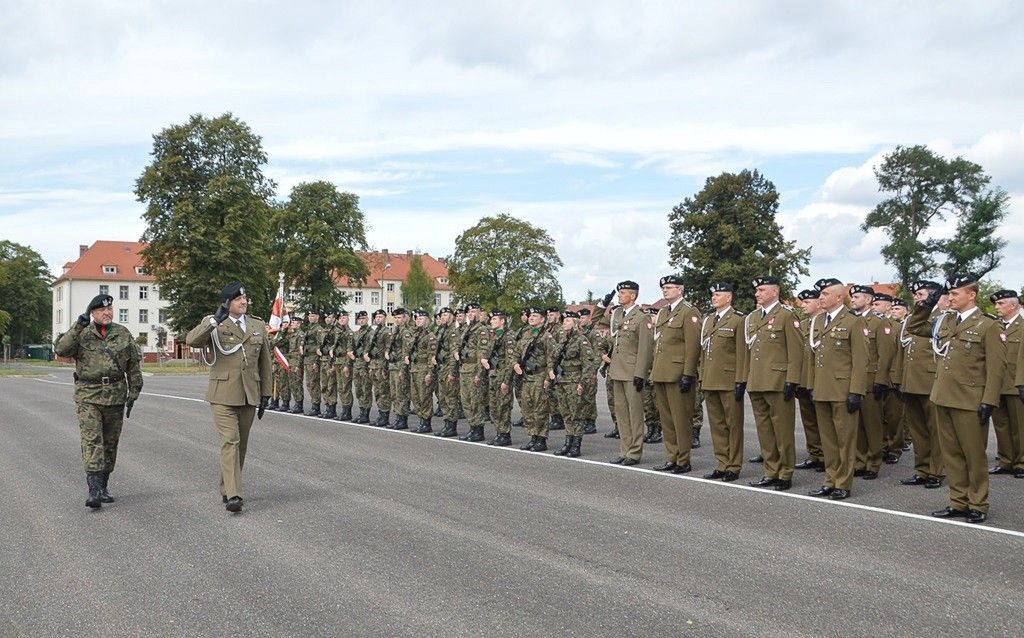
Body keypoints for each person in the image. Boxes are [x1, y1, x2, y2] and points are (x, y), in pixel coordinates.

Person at [906, 274, 1004, 524]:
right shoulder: (945, 321)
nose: (950, 298)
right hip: (942, 396)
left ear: (971, 295)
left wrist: (989, 400)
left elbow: (996, 368)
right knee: (951, 454)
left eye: (955, 294)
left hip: (970, 400)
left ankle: (978, 503)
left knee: (973, 455)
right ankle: (958, 501)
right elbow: (915, 327)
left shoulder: (988, 325)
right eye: (948, 294)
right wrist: (926, 305)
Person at [186, 282, 273, 513]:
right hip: (223, 394)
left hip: (248, 393)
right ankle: (235, 494)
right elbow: (191, 341)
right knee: (230, 441)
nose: (243, 302)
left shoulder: (257, 324)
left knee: (241, 445)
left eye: (244, 298)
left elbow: (265, 362)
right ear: (227, 303)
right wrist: (214, 320)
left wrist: (266, 393)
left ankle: (227, 487)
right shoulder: (214, 323)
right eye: (237, 299)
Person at [54, 293, 143, 509]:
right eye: (102, 310)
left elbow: (133, 365)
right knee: (92, 440)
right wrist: (77, 326)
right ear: (92, 313)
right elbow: (61, 350)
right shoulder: (82, 333)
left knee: (110, 443)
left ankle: (103, 486)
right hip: (88, 395)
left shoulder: (122, 334)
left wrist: (134, 392)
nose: (108, 312)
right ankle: (93, 490)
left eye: (110, 308)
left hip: (115, 394)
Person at [806, 278, 868, 501]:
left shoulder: (853, 322)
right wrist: (812, 385)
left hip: (843, 390)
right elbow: (814, 358)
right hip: (822, 388)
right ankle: (830, 479)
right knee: (828, 439)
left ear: (839, 297)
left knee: (845, 439)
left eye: (824, 294)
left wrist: (856, 391)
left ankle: (843, 483)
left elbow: (861, 361)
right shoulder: (819, 321)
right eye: (820, 294)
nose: (820, 298)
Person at [744, 276, 802, 490]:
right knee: (765, 430)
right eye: (756, 290)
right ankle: (770, 470)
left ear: (775, 292)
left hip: (778, 381)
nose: (757, 293)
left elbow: (796, 351)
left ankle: (785, 473)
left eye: (761, 290)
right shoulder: (754, 317)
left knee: (783, 430)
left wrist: (792, 380)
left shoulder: (786, 315)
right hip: (758, 380)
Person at [649, 275, 701, 473]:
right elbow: (658, 343)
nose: (665, 290)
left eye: (670, 288)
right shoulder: (663, 312)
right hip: (661, 372)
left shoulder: (689, 312)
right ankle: (671, 456)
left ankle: (683, 460)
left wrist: (688, 373)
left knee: (681, 419)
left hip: (678, 374)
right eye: (664, 288)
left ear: (680, 290)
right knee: (667, 419)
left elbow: (693, 345)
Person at [898, 281, 945, 489]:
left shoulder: (942, 318)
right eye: (915, 294)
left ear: (933, 296)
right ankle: (922, 469)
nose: (917, 297)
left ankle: (936, 471)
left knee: (935, 430)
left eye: (921, 294)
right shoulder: (913, 318)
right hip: (911, 381)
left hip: (930, 381)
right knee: (918, 431)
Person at [699, 283, 747, 481]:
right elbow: (703, 352)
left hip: (729, 380)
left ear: (729, 298)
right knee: (717, 425)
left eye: (718, 294)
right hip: (710, 379)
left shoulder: (738, 320)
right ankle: (721, 463)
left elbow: (742, 354)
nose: (714, 297)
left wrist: (741, 380)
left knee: (733, 425)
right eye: (713, 294)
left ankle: (733, 466)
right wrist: (702, 377)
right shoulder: (709, 320)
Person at [848, 285, 897, 481]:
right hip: (854, 380)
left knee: (872, 424)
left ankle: (873, 462)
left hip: (871, 380)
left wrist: (881, 381)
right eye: (852, 296)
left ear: (868, 300)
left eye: (857, 296)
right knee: (857, 424)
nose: (852, 299)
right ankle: (859, 460)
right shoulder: (852, 321)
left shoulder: (879, 323)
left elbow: (886, 355)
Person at [607, 281, 654, 466]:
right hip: (617, 371)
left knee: (634, 415)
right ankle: (624, 450)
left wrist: (640, 374)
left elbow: (645, 348)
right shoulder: (618, 314)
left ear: (633, 296)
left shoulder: (641, 318)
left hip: (632, 372)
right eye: (619, 292)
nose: (619, 295)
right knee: (622, 414)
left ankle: (634, 452)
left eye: (623, 293)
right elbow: (597, 320)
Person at [547, 310, 598, 457]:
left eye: (568, 321)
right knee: (566, 414)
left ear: (575, 324)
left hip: (575, 381)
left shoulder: (581, 340)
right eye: (563, 321)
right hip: (562, 381)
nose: (564, 323)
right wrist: (550, 370)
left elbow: (588, 363)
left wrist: (583, 383)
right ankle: (568, 443)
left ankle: (576, 445)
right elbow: (552, 356)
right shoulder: (563, 341)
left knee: (577, 415)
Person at [989, 289, 1024, 477]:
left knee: (1020, 426)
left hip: (1015, 384)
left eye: (1001, 304)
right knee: (1001, 425)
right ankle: (1006, 461)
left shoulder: (1022, 326)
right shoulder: (996, 326)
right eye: (996, 304)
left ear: (1014, 305)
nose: (997, 307)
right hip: (997, 384)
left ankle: (1021, 462)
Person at [514, 307, 554, 451]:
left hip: (539, 377)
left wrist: (548, 378)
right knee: (527, 409)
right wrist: (515, 364)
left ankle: (541, 440)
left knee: (540, 409)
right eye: (530, 316)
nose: (531, 318)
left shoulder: (546, 336)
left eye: (535, 316)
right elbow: (516, 352)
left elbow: (551, 358)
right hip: (526, 377)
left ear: (542, 319)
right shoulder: (526, 334)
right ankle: (533, 437)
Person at [794, 289, 825, 471]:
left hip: (820, 380)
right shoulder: (803, 325)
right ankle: (814, 454)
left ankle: (827, 455)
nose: (803, 305)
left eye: (807, 302)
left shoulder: (826, 323)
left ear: (818, 303)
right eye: (802, 302)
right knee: (809, 420)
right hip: (804, 379)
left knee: (823, 421)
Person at [457, 303, 491, 442]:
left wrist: (479, 374)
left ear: (479, 313)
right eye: (469, 312)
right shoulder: (466, 329)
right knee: (466, 401)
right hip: (464, 369)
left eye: (474, 311)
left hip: (474, 370)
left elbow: (482, 354)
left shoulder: (481, 330)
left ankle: (478, 430)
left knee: (476, 401)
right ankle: (472, 427)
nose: (471, 314)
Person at [483, 310, 515, 446]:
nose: (491, 321)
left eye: (495, 319)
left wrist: (506, 381)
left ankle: (505, 434)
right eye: (491, 319)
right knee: (494, 406)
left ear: (502, 321)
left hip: (503, 375)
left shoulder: (508, 337)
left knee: (504, 406)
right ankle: (499, 432)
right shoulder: (494, 336)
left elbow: (511, 361)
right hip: (493, 374)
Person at [406, 308, 439, 433]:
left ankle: (426, 422)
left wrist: (430, 373)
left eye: (421, 319)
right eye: (417, 319)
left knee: (424, 396)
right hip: (415, 368)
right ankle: (421, 420)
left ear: (427, 321)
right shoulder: (415, 335)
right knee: (416, 396)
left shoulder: (430, 337)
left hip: (424, 369)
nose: (418, 321)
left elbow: (432, 357)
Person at [364, 309, 392, 427]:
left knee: (383, 391)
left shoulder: (387, 332)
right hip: (373, 364)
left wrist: (385, 367)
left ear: (385, 318)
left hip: (381, 365)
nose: (378, 319)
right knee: (377, 391)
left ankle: (384, 417)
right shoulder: (375, 332)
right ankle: (381, 415)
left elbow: (388, 350)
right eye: (377, 317)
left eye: (381, 317)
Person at [387, 308, 412, 430]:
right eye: (395, 318)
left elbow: (405, 352)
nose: (397, 320)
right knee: (394, 394)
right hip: (393, 366)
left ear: (405, 318)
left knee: (401, 394)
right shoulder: (396, 330)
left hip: (400, 367)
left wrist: (403, 370)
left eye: (399, 317)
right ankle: (398, 417)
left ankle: (402, 419)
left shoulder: (405, 332)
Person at [349, 311, 373, 423]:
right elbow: (350, 347)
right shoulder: (356, 333)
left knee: (366, 390)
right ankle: (361, 411)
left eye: (363, 318)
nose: (361, 320)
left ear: (367, 319)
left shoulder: (371, 333)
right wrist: (350, 353)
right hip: (356, 364)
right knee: (358, 390)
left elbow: (372, 349)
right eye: (359, 319)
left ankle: (365, 414)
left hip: (366, 365)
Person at [301, 309, 324, 416]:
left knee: (314, 384)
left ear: (317, 317)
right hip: (307, 359)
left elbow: (320, 346)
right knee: (309, 384)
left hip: (313, 359)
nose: (311, 318)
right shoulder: (309, 329)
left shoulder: (319, 330)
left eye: (313, 316)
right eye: (309, 316)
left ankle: (316, 406)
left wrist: (316, 362)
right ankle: (314, 405)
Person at [334, 310, 355, 421]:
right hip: (337, 361)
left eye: (344, 318)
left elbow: (349, 350)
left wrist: (347, 365)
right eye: (341, 318)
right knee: (341, 388)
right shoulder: (337, 332)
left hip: (345, 362)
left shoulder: (349, 333)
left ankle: (347, 411)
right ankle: (344, 408)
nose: (342, 320)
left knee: (346, 387)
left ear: (348, 319)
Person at [284, 315, 304, 412]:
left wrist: (299, 365)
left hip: (296, 362)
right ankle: (296, 403)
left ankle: (299, 404)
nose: (291, 324)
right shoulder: (291, 335)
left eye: (293, 323)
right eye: (291, 323)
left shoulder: (300, 335)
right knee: (292, 383)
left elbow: (301, 352)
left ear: (299, 324)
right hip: (291, 361)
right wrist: (283, 330)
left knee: (297, 383)